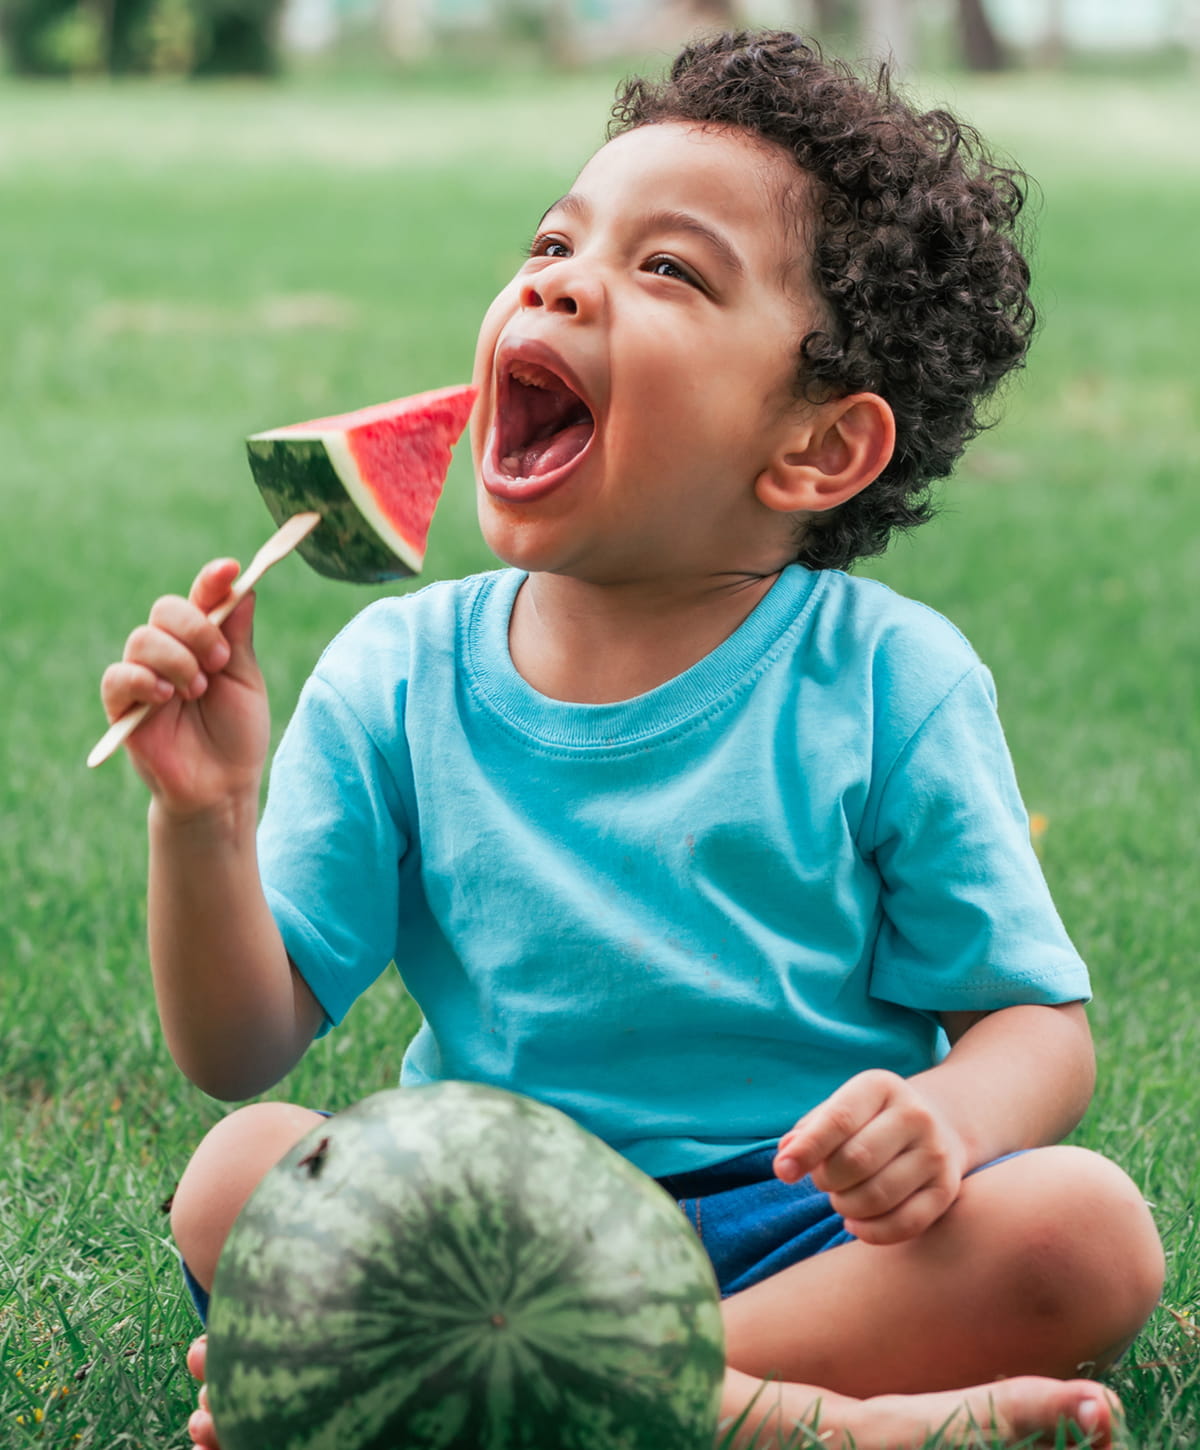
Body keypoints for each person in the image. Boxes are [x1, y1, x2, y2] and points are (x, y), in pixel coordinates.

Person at [100, 30, 1164, 1450]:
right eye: (554, 239)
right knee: (235, 1171)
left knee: (1083, 1227)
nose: (554, 278)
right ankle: (784, 1419)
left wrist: (953, 1124)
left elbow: (1033, 1025)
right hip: (481, 1220)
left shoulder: (889, 678)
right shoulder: (397, 671)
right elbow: (241, 1047)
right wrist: (202, 816)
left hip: (795, 1230)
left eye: (667, 268)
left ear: (815, 449)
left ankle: (516, 1387)